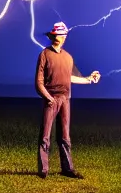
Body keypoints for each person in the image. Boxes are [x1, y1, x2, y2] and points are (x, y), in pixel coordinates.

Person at [35, 22, 100, 179]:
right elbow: (38, 81)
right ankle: (43, 170)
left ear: (64, 37)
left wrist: (89, 79)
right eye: (56, 34)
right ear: (53, 36)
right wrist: (48, 97)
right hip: (51, 98)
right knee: (45, 136)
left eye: (61, 34)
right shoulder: (44, 54)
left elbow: (70, 77)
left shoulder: (68, 57)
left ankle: (67, 169)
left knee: (65, 136)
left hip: (65, 99)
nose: (59, 37)